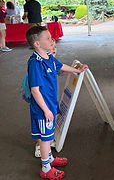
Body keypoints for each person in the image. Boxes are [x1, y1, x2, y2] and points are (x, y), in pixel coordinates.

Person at [26, 26, 88, 179]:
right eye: (47, 38)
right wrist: (46, 110)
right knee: (45, 138)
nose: (51, 40)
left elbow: (60, 67)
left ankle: (50, 160)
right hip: (43, 109)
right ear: (37, 44)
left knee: (49, 135)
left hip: (50, 105)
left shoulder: (48, 57)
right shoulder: (35, 62)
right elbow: (35, 90)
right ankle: (46, 169)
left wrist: (77, 70)